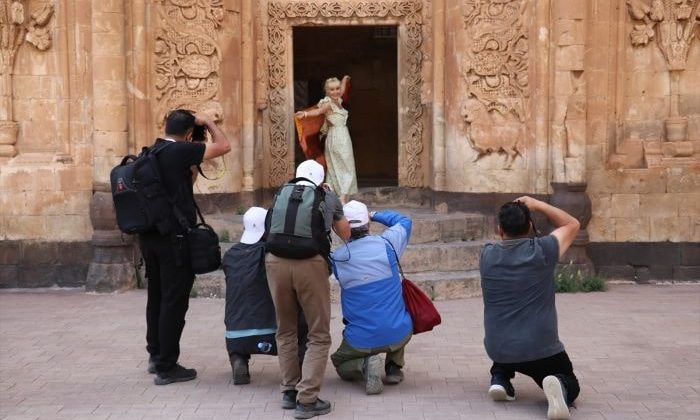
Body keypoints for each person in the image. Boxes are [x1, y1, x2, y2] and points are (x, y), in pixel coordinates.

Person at [141, 110, 231, 385]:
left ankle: (156, 356)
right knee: (174, 300)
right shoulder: (180, 151)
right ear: (189, 133)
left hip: (150, 238)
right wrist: (209, 122)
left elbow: (186, 183)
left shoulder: (152, 152)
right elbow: (224, 146)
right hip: (174, 241)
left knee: (156, 297)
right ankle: (168, 366)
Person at [479, 196, 581, 419]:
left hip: (499, 347)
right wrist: (538, 205)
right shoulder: (543, 251)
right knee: (570, 381)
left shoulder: (486, 255)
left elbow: (506, 245)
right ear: (530, 226)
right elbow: (572, 224)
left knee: (508, 329)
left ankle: (501, 379)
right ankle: (560, 387)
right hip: (540, 349)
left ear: (499, 229)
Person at [265, 159, 350, 419]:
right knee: (319, 334)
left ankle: (289, 391)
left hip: (275, 261)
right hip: (310, 264)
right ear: (320, 177)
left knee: (286, 329)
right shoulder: (327, 196)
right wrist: (335, 200)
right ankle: (308, 399)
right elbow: (345, 233)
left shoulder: (282, 192)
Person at [329, 200, 413, 395]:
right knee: (395, 313)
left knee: (339, 362)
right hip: (399, 332)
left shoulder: (338, 258)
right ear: (367, 224)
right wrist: (374, 214)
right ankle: (393, 368)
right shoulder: (388, 244)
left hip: (360, 340)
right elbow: (404, 221)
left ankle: (365, 365)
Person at [222, 207, 308, 385]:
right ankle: (297, 366)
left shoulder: (230, 255)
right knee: (302, 317)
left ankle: (238, 360)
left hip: (236, 335)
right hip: (274, 335)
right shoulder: (272, 254)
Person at [295, 75, 357, 202]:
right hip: (337, 138)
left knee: (338, 167)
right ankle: (342, 198)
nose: (336, 91)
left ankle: (334, 196)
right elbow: (318, 112)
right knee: (346, 167)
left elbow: (343, 90)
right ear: (327, 91)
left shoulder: (337, 100)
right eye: (332, 89)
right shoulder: (328, 103)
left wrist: (344, 80)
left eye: (337, 88)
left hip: (341, 137)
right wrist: (305, 114)